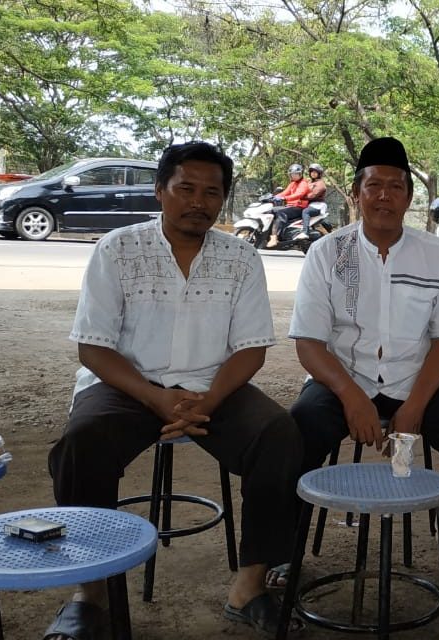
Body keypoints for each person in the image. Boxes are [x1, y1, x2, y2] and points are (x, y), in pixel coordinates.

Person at [45, 142, 303, 639]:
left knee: (279, 434)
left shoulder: (242, 257)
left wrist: (207, 400)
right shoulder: (117, 249)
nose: (198, 202)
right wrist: (155, 397)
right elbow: (94, 349)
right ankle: (90, 592)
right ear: (161, 190)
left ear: (223, 201)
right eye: (186, 188)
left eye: (212, 192)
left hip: (212, 388)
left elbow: (251, 349)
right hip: (126, 385)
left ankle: (250, 584)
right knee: (83, 441)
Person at [288, 136, 439, 578]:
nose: (384, 195)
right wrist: (350, 395)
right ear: (356, 192)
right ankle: (285, 543)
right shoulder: (327, 253)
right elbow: (309, 341)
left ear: (409, 196)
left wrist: (415, 407)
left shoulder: (436, 255)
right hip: (342, 379)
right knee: (292, 438)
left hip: (415, 380)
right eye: (374, 185)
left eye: (396, 186)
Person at [268, 163, 310, 248]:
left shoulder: (303, 183)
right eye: (292, 174)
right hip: (291, 206)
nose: (293, 176)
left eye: (295, 174)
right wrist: (274, 197)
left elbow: (298, 194)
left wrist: (285, 199)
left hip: (299, 207)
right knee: (271, 210)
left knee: (281, 213)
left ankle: (274, 237)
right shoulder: (292, 184)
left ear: (300, 174)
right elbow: (284, 192)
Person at [294, 163, 328, 241]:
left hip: (318, 205)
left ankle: (305, 232)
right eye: (312, 172)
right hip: (309, 204)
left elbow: (313, 195)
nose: (313, 173)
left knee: (306, 212)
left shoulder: (320, 184)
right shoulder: (309, 182)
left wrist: (301, 197)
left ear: (319, 174)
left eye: (315, 172)